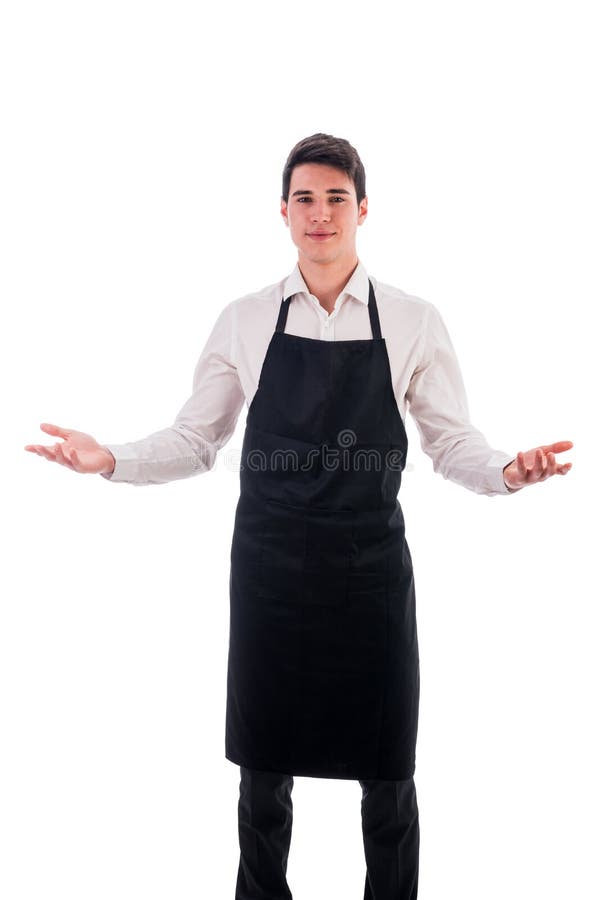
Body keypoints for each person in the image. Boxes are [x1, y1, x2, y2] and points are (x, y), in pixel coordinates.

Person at [25, 133, 573, 900]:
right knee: (262, 777)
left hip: (371, 576)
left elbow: (450, 442)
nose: (320, 214)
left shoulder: (413, 319)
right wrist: (108, 457)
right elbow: (196, 439)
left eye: (336, 198)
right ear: (283, 212)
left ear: (364, 209)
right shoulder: (246, 318)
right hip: (271, 574)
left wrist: (509, 472)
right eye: (305, 199)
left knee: (388, 777)